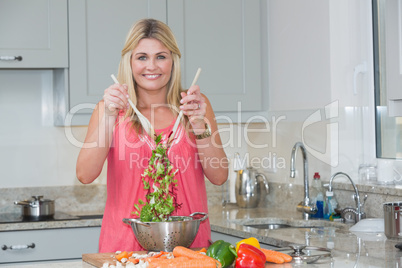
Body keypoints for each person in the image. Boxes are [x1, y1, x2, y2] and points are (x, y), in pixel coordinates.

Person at [76, 18, 228, 252]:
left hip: (189, 250)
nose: (152, 66)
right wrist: (108, 114)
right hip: (124, 250)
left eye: (161, 56)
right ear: (129, 61)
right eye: (142, 57)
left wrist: (199, 124)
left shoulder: (195, 105)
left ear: (173, 61)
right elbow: (85, 175)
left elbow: (219, 176)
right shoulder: (110, 110)